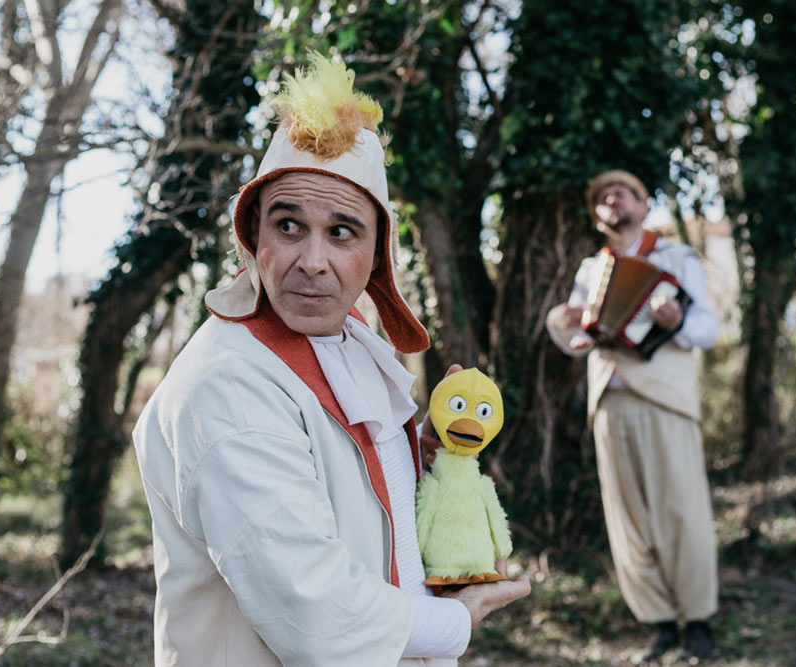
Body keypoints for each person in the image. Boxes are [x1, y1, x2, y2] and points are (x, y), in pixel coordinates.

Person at [132, 53, 529, 666]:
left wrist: (418, 459)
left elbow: (352, 503)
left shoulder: (350, 342)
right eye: (289, 225)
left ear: (377, 255)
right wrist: (457, 619)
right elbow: (311, 608)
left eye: (342, 232)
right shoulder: (228, 384)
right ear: (253, 236)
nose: (313, 262)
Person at [546, 169, 719, 661]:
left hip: (666, 400)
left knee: (682, 511)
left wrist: (677, 321)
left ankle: (698, 621)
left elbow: (708, 329)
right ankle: (659, 623)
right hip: (610, 402)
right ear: (596, 216)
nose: (612, 199)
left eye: (622, 193)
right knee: (628, 518)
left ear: (643, 206)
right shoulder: (591, 270)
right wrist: (562, 323)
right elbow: (576, 335)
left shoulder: (677, 258)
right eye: (602, 197)